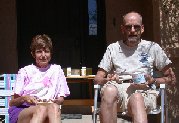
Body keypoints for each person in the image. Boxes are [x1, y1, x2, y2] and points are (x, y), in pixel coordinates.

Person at [94, 11, 176, 123]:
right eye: (128, 27)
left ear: (142, 29)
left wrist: (154, 81)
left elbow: (171, 79)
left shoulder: (152, 48)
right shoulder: (113, 48)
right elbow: (97, 79)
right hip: (119, 88)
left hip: (144, 90)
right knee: (109, 90)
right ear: (122, 29)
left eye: (136, 27)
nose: (132, 30)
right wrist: (107, 79)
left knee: (136, 98)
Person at [8, 34, 70, 123]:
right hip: (24, 110)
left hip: (48, 107)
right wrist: (25, 98)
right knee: (40, 109)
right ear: (33, 54)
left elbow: (61, 99)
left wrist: (57, 100)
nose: (43, 55)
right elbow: (12, 103)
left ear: (51, 53)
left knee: (54, 107)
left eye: (47, 51)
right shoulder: (25, 71)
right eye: (39, 52)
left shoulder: (57, 70)